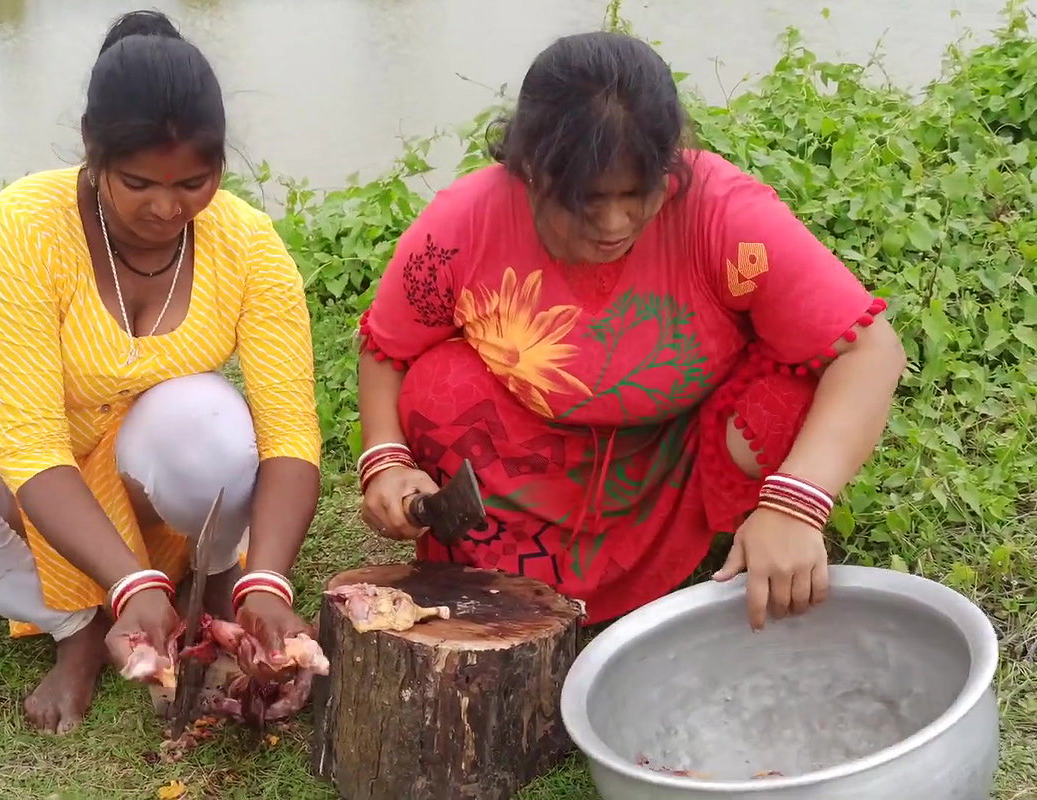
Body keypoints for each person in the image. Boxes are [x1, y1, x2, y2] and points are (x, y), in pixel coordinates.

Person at [0, 10, 321, 735]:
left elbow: (289, 435)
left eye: (194, 182)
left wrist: (268, 579)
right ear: (92, 147)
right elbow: (28, 445)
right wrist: (128, 583)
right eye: (138, 182)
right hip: (32, 465)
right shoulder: (22, 227)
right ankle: (78, 622)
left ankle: (218, 591)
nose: (167, 207)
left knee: (206, 417)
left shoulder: (246, 244)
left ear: (221, 163)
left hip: (147, 469)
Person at [355, 31, 906, 633]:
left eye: (637, 194)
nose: (615, 223)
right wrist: (386, 459)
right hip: (534, 459)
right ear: (531, 170)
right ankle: (502, 580)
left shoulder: (723, 212)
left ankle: (739, 540)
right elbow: (388, 349)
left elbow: (870, 350)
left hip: (681, 459)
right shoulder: (466, 223)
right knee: (437, 385)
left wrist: (797, 502)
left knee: (790, 392)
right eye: (586, 201)